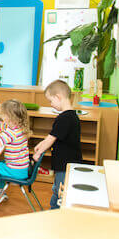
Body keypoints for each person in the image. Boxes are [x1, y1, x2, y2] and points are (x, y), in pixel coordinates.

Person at [33, 80, 82, 209]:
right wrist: (41, 144)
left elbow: (50, 140)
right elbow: (52, 136)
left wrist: (37, 153)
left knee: (60, 191)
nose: (51, 104)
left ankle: (54, 213)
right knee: (58, 189)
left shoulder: (64, 119)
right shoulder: (71, 116)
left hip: (66, 165)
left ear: (58, 97)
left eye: (51, 101)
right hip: (67, 163)